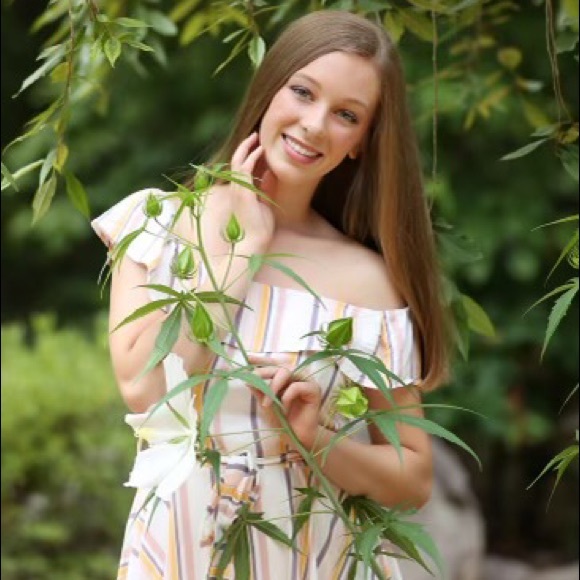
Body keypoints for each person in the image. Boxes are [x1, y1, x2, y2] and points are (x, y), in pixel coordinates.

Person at [92, 9, 449, 580]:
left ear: (361, 142)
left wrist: (313, 438)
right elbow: (147, 393)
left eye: (347, 115)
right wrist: (242, 253)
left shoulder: (369, 282)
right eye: (303, 92)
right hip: (181, 546)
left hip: (316, 555)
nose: (314, 124)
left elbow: (413, 478)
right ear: (270, 87)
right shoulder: (158, 224)